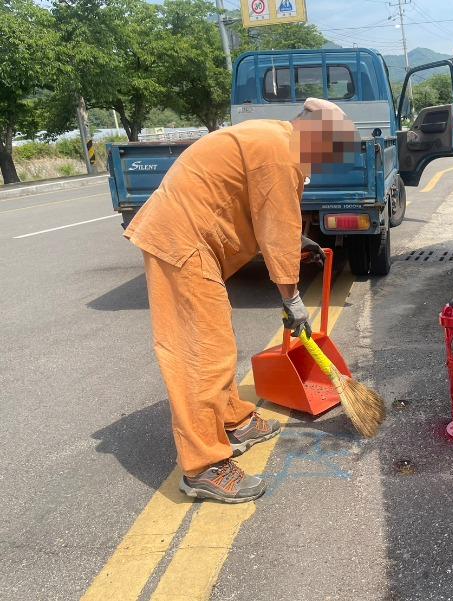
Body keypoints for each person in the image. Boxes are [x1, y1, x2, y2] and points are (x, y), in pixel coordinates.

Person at [124, 98, 360, 503]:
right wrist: (292, 301)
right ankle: (203, 467)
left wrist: (292, 244)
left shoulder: (272, 137)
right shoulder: (281, 152)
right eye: (329, 151)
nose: (324, 163)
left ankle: (232, 418)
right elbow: (277, 220)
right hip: (182, 243)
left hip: (189, 238)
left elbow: (263, 212)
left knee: (216, 338)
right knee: (201, 351)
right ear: (315, 133)